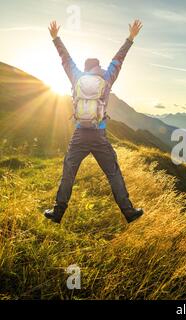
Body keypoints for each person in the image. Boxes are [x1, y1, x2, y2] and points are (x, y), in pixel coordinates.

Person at [44, 20, 144, 224]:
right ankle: (128, 211)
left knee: (69, 173)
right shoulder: (106, 78)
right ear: (98, 67)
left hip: (80, 134)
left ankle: (58, 212)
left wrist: (56, 38)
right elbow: (119, 59)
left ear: (85, 68)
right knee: (113, 172)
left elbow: (65, 59)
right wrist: (130, 38)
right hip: (99, 135)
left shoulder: (77, 77)